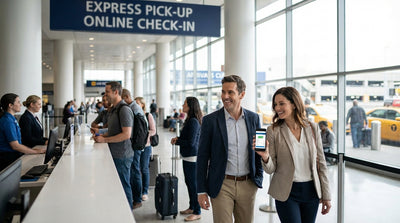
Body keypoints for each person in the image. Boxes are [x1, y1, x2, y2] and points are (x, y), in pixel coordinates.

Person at [255, 86, 331, 223]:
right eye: (275, 105)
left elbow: (321, 164)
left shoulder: (312, 128)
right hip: (286, 193)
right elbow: (270, 169)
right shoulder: (273, 131)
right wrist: (265, 156)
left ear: (294, 104)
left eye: (281, 103)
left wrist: (327, 195)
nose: (277, 108)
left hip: (311, 191)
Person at [197, 75, 264, 223]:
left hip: (248, 184)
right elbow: (202, 157)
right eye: (223, 92)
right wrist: (201, 191)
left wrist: (257, 178)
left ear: (242, 94)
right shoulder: (210, 121)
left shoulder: (254, 119)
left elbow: (260, 152)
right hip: (222, 185)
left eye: (230, 92)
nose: (225, 96)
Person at [93, 82, 135, 209]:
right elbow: (113, 131)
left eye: (107, 92)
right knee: (117, 186)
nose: (105, 95)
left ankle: (128, 213)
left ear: (116, 92)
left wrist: (104, 140)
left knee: (123, 185)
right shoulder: (113, 110)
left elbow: (126, 134)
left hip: (122, 155)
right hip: (114, 153)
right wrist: (101, 136)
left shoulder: (124, 110)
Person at [171, 97, 203, 222]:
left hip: (192, 157)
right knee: (189, 183)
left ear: (190, 106)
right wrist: (178, 138)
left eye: (185, 103)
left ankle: (197, 211)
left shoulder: (194, 121)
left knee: (193, 185)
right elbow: (188, 137)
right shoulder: (190, 120)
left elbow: (191, 142)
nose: (183, 105)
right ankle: (192, 206)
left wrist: (178, 141)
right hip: (188, 157)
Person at [0, 93, 46, 171]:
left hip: (13, 155)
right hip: (8, 158)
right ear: (10, 105)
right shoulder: (8, 121)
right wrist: (34, 151)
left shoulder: (12, 119)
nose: (21, 104)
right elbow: (15, 145)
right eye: (18, 102)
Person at [121, 88, 146, 209]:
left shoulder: (133, 108)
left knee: (135, 170)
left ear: (125, 97)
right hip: (136, 144)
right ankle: (136, 198)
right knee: (134, 170)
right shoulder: (135, 107)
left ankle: (137, 199)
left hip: (135, 145)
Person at [134, 97, 156, 202]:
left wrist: (144, 135)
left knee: (144, 168)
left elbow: (153, 130)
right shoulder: (134, 115)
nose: (136, 105)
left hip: (146, 146)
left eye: (138, 103)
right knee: (136, 168)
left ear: (142, 105)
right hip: (137, 146)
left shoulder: (148, 115)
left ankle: (145, 191)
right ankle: (138, 190)